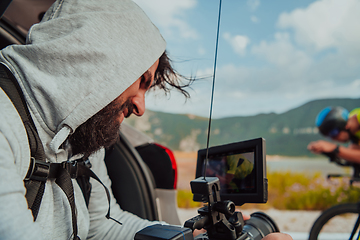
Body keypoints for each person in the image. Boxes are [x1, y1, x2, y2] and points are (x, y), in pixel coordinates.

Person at [0, 0, 292, 239]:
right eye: (141, 81)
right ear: (95, 57)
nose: (141, 107)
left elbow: (104, 226)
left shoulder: (82, 141)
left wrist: (193, 238)